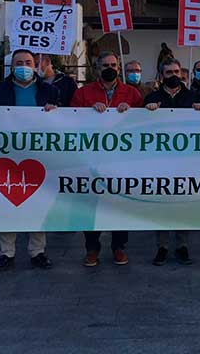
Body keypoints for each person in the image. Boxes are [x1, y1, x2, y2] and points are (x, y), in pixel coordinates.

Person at [0, 49, 60, 272]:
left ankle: (38, 251)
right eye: (19, 62)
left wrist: (56, 111)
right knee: (8, 201)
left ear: (35, 64)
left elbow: (65, 119)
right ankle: (6, 253)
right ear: (12, 66)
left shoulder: (49, 91)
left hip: (40, 155)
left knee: (38, 202)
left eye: (28, 62)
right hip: (8, 155)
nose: (24, 66)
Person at [71, 51, 144, 267]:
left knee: (120, 203)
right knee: (91, 204)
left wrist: (131, 112)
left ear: (119, 68)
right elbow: (71, 120)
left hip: (123, 160)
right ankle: (92, 248)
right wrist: (88, 112)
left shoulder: (132, 94)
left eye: (113, 64)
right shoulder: (83, 94)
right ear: (97, 69)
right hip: (92, 160)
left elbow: (144, 124)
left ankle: (119, 247)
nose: (110, 68)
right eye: (105, 65)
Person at [144, 57, 200, 266]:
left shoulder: (194, 96)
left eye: (177, 72)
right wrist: (147, 110)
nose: (174, 76)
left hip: (186, 161)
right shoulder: (152, 97)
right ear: (162, 76)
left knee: (183, 203)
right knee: (160, 204)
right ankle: (162, 247)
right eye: (169, 72)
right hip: (159, 161)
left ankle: (182, 246)